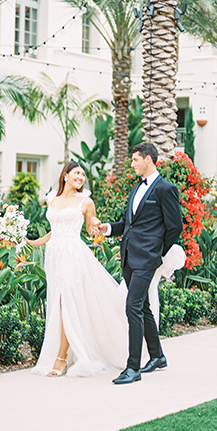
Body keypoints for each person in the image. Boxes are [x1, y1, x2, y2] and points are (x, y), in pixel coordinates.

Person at [28, 161, 128, 377]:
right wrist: (33, 243)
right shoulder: (52, 199)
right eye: (77, 173)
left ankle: (61, 358)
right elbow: (55, 230)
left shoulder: (86, 201)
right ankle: (62, 353)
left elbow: (91, 222)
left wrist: (96, 225)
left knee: (65, 302)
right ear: (65, 175)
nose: (81, 176)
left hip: (74, 255)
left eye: (83, 174)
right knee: (58, 301)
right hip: (54, 255)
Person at [98, 142, 183, 385]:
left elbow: (175, 226)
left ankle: (132, 368)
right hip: (128, 255)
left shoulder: (166, 189)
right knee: (143, 307)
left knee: (132, 306)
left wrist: (157, 251)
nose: (132, 164)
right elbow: (130, 224)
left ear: (148, 159)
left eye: (135, 159)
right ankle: (157, 356)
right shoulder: (136, 188)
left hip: (146, 258)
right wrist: (108, 229)